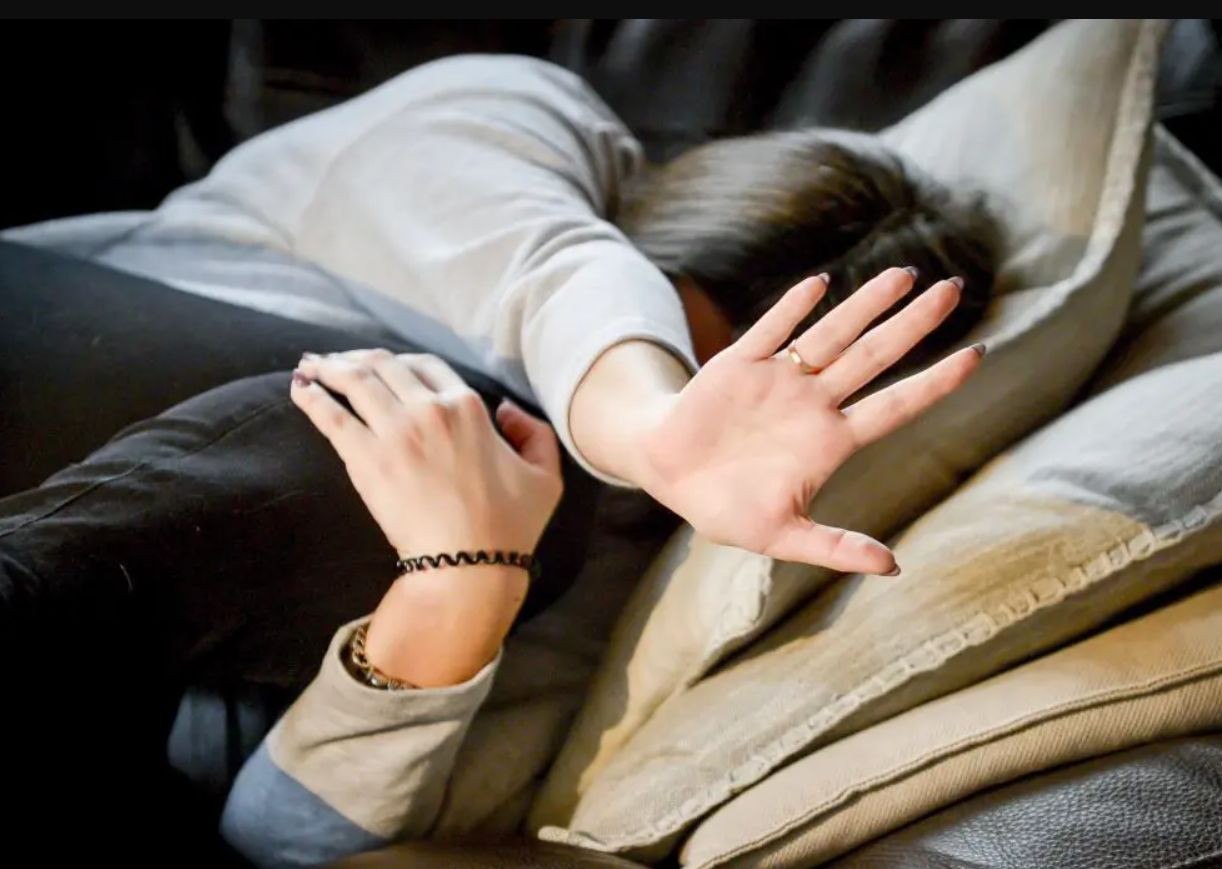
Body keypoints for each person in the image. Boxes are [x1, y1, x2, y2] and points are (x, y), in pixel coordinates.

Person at [0, 54, 993, 863]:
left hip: (107, 686)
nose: (691, 404)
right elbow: (550, 270)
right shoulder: (515, 115)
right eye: (683, 359)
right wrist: (649, 426)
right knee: (455, 418)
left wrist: (458, 591)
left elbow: (282, 839)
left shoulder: (612, 571)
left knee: (523, 509)